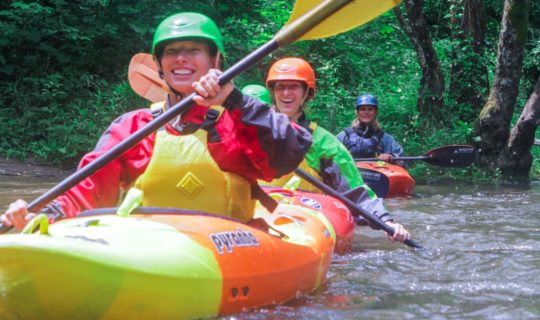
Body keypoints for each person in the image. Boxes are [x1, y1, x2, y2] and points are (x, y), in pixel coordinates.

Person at [1, 12, 312, 230]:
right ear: (160, 67)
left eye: (194, 50)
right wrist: (44, 214)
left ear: (216, 61)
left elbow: (289, 153)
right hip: (148, 249)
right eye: (171, 52)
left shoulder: (237, 119)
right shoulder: (133, 127)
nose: (180, 58)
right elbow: (87, 190)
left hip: (231, 249)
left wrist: (232, 99)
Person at [262, 57, 410, 242]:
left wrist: (386, 221)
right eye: (280, 87)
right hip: (257, 212)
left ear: (306, 92)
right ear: (273, 92)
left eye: (294, 87)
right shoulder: (251, 130)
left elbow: (355, 191)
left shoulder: (324, 142)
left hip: (298, 222)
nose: (286, 93)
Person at [336, 94, 404, 162]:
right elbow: (329, 156)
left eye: (370, 109)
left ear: (376, 112)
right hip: (350, 172)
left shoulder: (385, 138)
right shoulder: (344, 136)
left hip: (376, 172)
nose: (366, 112)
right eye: (363, 109)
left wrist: (391, 156)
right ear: (357, 112)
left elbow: (401, 158)